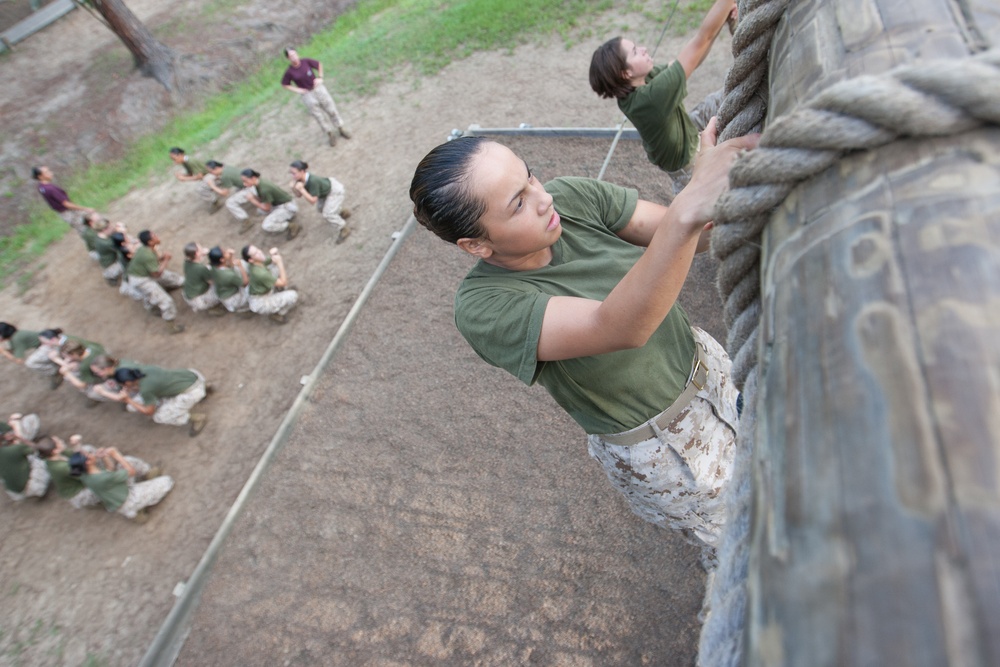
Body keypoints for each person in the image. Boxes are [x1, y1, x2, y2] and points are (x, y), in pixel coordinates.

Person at [409, 122, 759, 560]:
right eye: (518, 204)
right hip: (668, 444)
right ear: (476, 245)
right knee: (741, 538)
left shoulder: (572, 198)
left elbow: (694, 235)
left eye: (530, 176)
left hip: (706, 366)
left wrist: (715, 190)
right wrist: (689, 205)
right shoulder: (484, 308)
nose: (544, 198)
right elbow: (619, 328)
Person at [589, 0, 736, 176]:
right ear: (625, 74)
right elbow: (701, 41)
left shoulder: (638, 81)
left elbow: (696, 56)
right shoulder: (650, 99)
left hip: (687, 131)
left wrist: (723, 16)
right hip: (689, 166)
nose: (643, 49)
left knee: (723, 97)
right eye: (635, 52)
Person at [68, 446, 173, 521]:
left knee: (128, 461)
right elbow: (131, 472)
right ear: (88, 462)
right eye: (89, 454)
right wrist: (116, 455)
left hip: (118, 493)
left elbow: (110, 469)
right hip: (128, 500)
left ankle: (148, 474)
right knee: (167, 481)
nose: (92, 453)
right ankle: (134, 512)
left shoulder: (84, 474)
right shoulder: (102, 478)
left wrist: (104, 457)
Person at [281, 47, 352, 146]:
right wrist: (298, 90)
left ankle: (341, 128)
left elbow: (319, 64)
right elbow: (285, 84)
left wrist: (320, 77)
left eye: (294, 54)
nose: (294, 57)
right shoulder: (289, 72)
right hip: (307, 95)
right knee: (318, 116)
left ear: (297, 54)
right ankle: (330, 134)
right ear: (288, 58)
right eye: (291, 56)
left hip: (318, 89)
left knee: (331, 109)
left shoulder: (306, 61)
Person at [112, 365, 209, 436]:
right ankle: (205, 387)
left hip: (192, 392)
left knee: (160, 417)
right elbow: (152, 385)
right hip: (192, 376)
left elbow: (149, 412)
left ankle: (197, 418)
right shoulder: (146, 370)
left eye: (123, 384)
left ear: (128, 382)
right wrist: (130, 389)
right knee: (138, 402)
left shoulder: (146, 390)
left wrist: (128, 399)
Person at [126, 230, 186, 333]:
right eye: (154, 236)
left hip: (142, 273)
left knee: (171, 277)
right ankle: (171, 326)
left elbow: (154, 260)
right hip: (140, 280)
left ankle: (168, 286)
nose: (157, 236)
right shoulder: (147, 254)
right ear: (150, 242)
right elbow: (156, 274)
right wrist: (166, 260)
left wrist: (162, 258)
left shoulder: (145, 249)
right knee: (166, 301)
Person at [288, 160, 353, 244]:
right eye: (291, 173)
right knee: (320, 209)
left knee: (328, 214)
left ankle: (344, 228)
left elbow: (312, 201)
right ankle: (342, 212)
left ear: (302, 171)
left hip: (334, 192)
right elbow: (299, 195)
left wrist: (302, 189)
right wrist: (293, 188)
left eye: (294, 173)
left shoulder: (312, 181)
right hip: (325, 194)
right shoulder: (300, 179)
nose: (292, 176)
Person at [227, 169, 300, 239]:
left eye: (245, 181)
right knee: (260, 211)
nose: (244, 184)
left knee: (266, 225)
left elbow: (266, 208)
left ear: (253, 178)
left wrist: (252, 200)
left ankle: (292, 226)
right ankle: (282, 217)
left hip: (287, 207)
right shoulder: (260, 183)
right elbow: (263, 201)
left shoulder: (264, 189)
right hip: (282, 204)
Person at [242, 244, 298, 324]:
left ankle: (279, 291)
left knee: (274, 267)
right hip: (261, 301)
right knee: (293, 295)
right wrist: (280, 262)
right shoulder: (260, 273)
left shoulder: (256, 262)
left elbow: (271, 260)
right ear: (251, 260)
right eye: (256, 253)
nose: (260, 252)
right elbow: (283, 282)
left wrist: (274, 255)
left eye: (257, 249)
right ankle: (276, 313)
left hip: (259, 291)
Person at [31, 165, 94, 234]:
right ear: (40, 176)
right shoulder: (50, 189)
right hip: (68, 212)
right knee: (85, 229)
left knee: (85, 225)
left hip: (62, 212)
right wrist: (85, 208)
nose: (50, 173)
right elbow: (66, 204)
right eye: (46, 172)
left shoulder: (41, 187)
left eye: (49, 170)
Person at [0, 412, 48, 501]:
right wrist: (17, 435)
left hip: (14, 493)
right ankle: (38, 488)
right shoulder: (14, 450)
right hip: (33, 487)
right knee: (44, 457)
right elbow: (35, 448)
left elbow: (8, 429)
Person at [182, 243, 223, 314]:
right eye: (200, 249)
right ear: (196, 254)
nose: (202, 249)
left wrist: (202, 253)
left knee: (208, 268)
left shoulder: (186, 262)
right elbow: (212, 282)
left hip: (188, 293)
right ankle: (211, 306)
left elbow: (196, 260)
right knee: (222, 287)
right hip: (198, 299)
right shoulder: (201, 268)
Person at [208, 246, 250, 313]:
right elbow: (245, 283)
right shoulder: (228, 275)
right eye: (225, 252)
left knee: (238, 270)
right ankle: (244, 308)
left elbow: (230, 267)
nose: (227, 251)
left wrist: (231, 257)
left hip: (224, 294)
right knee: (251, 283)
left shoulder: (214, 266)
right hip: (233, 299)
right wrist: (240, 266)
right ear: (222, 259)